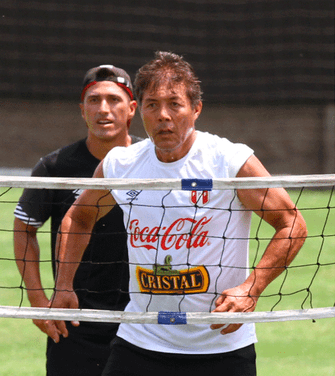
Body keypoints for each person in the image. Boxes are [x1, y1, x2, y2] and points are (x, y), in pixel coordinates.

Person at [48, 51, 307, 376]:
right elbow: (78, 217)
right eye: (152, 105)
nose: (163, 116)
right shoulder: (122, 164)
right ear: (139, 111)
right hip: (140, 340)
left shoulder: (229, 161)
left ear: (195, 109)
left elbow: (292, 224)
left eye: (174, 104)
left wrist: (250, 289)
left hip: (220, 346)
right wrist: (63, 286)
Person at [13, 65, 141, 376]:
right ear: (82, 110)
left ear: (132, 109)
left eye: (114, 100)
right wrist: (37, 298)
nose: (103, 109)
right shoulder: (55, 166)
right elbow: (24, 229)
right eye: (94, 100)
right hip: (73, 316)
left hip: (141, 319)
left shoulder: (151, 161)